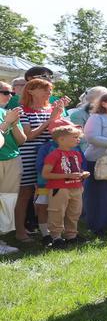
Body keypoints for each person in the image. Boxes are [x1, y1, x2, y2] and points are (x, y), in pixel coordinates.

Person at [14, 79, 68, 244]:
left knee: (50, 194)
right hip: (29, 157)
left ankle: (50, 230)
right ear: (30, 91)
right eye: (44, 89)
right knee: (25, 194)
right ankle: (20, 231)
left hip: (51, 157)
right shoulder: (22, 110)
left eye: (50, 89)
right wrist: (50, 120)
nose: (49, 92)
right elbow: (28, 136)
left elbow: (60, 133)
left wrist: (58, 115)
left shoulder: (53, 109)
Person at [40, 125, 89, 248]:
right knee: (57, 212)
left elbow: (74, 169)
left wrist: (82, 174)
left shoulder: (76, 154)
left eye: (78, 137)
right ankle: (56, 237)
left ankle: (71, 235)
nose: (78, 140)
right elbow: (46, 174)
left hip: (76, 187)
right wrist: (68, 176)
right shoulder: (54, 155)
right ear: (61, 139)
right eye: (75, 137)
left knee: (74, 212)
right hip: (59, 188)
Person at [82, 92, 107, 235]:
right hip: (97, 162)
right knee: (98, 195)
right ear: (104, 103)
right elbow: (92, 138)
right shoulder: (97, 117)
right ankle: (96, 225)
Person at [0, 81, 25, 254]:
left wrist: (14, 123)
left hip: (12, 160)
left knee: (7, 202)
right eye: (5, 92)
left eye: (11, 93)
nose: (10, 96)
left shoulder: (6, 112)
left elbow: (22, 140)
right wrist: (6, 123)